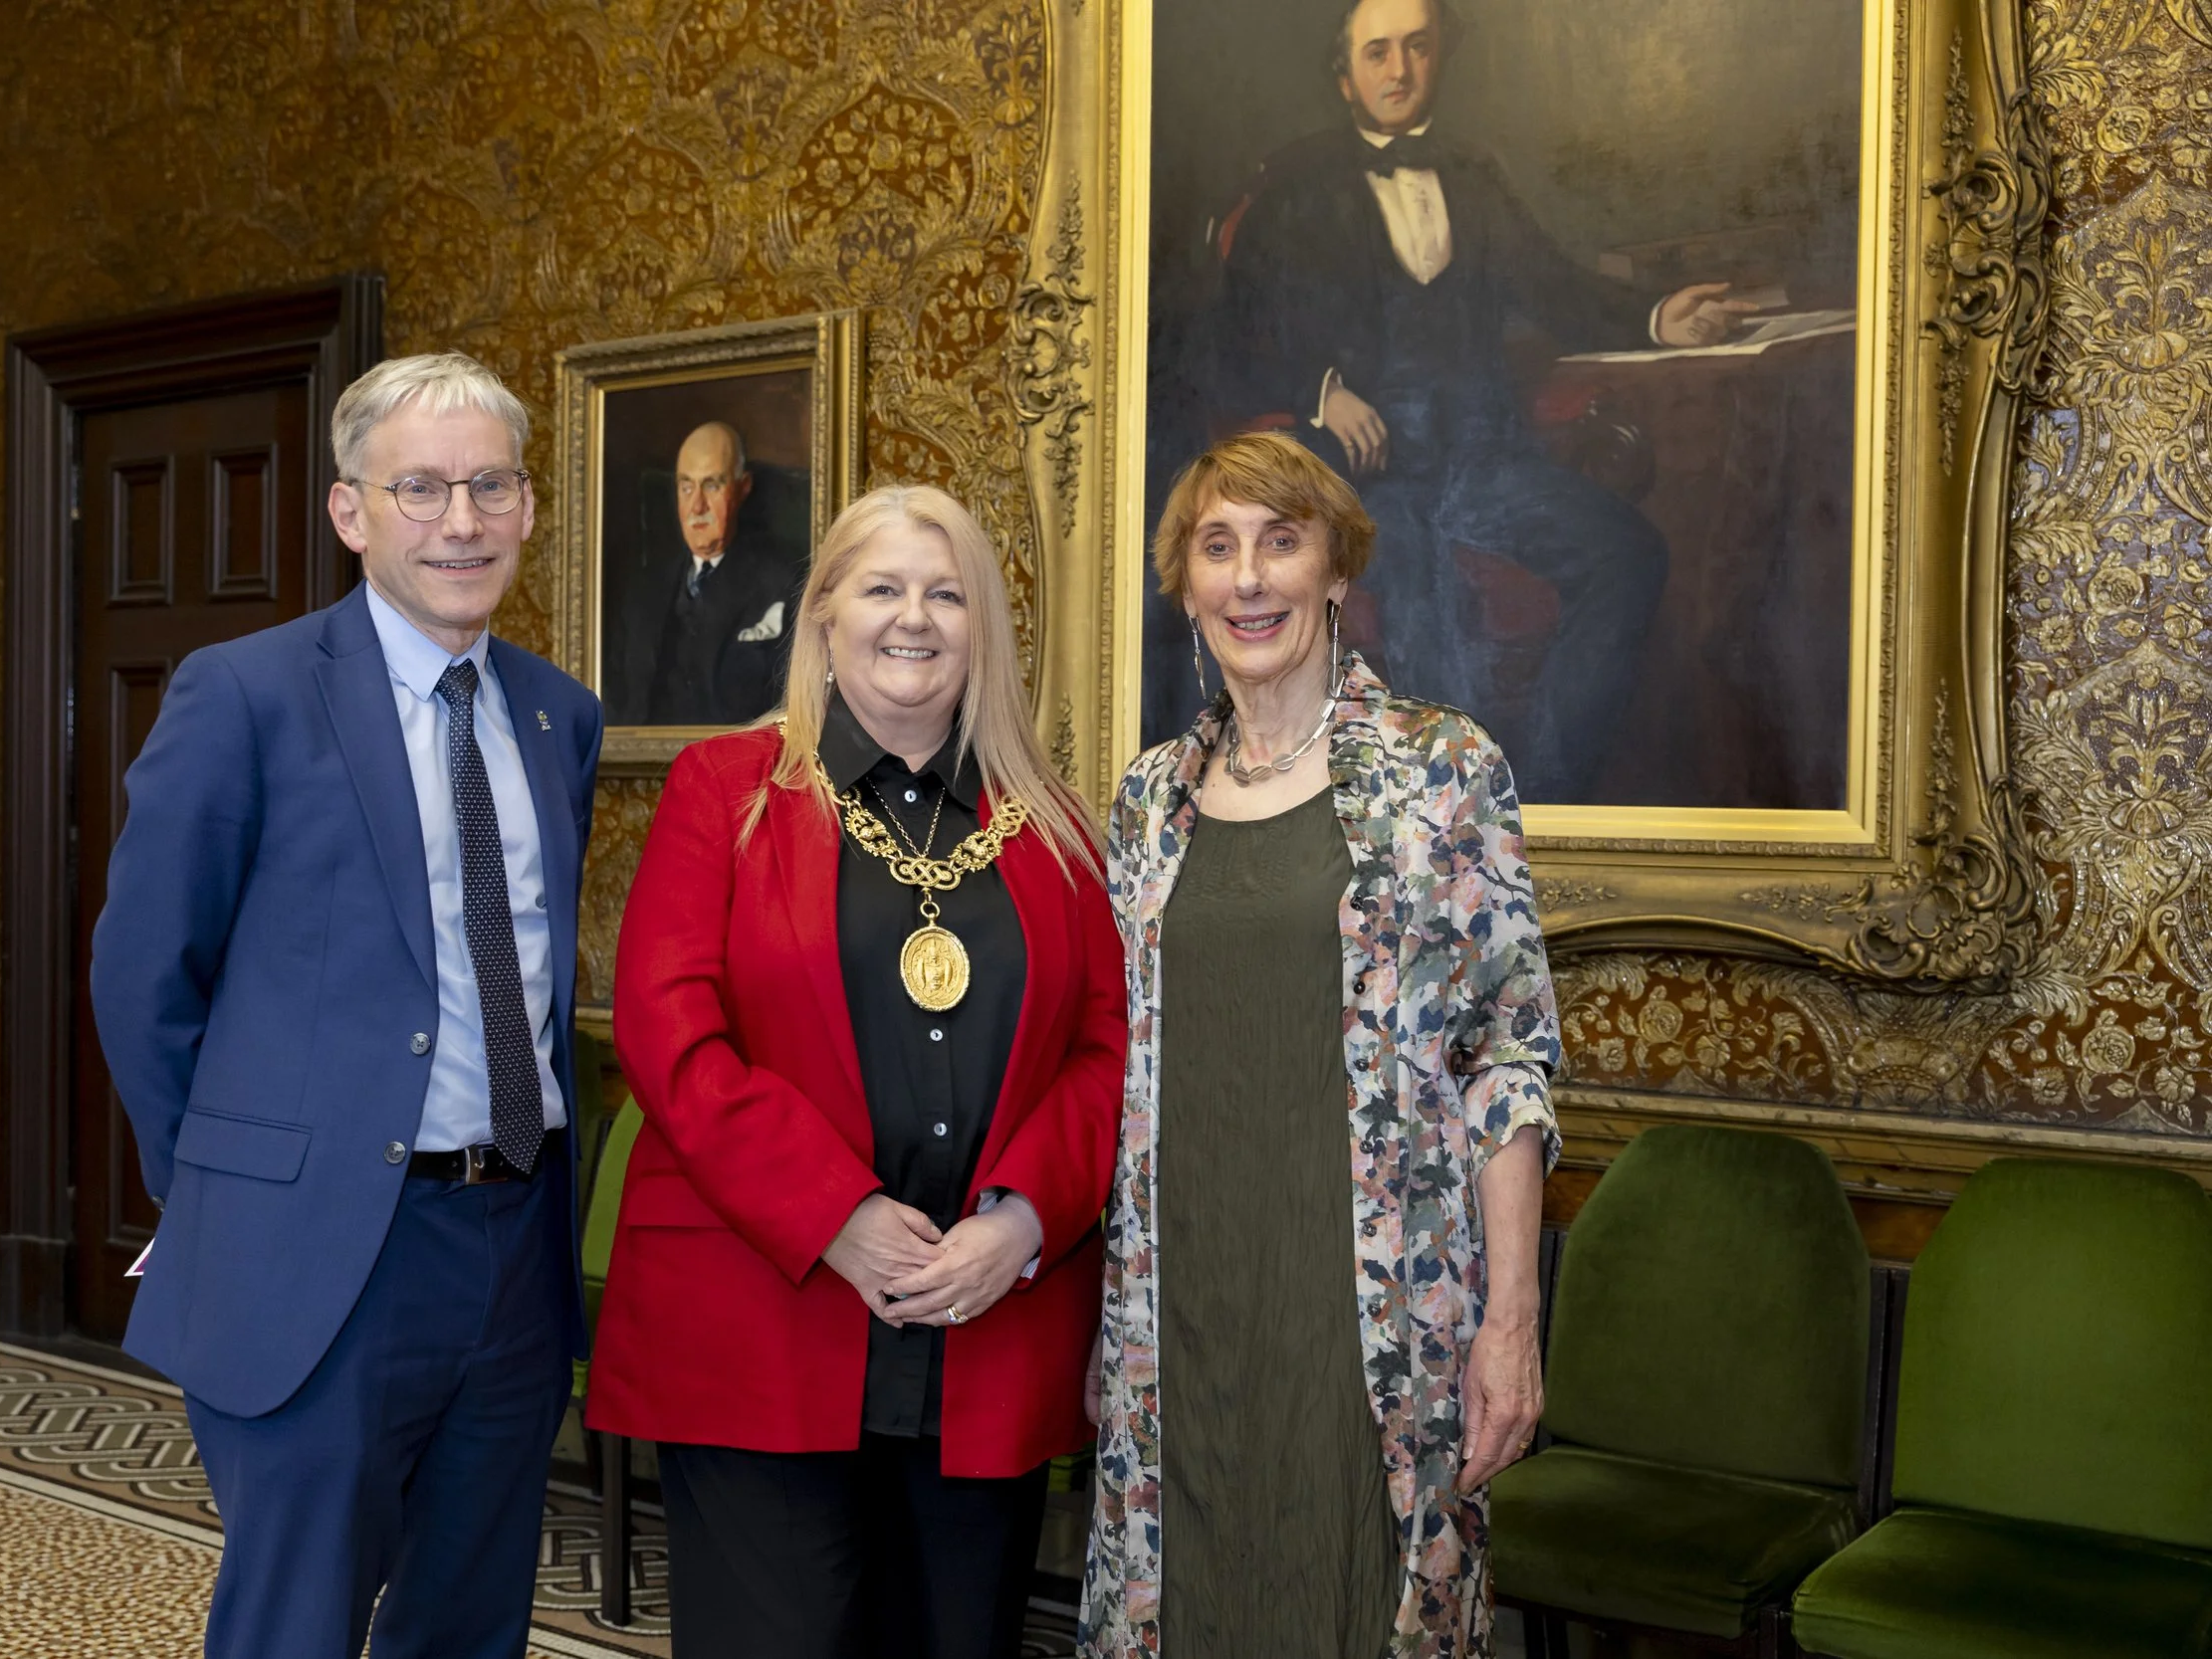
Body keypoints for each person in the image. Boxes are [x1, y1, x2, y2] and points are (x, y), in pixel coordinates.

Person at [91, 352, 600, 1659]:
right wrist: (233, 1193)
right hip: (321, 1256)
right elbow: (145, 974)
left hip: (515, 1241)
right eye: (420, 486)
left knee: (469, 1619)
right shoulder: (245, 692)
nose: (461, 520)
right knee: (297, 1621)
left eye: (490, 486)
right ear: (350, 510)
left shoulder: (559, 716)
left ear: (529, 506)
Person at [590, 485, 1126, 1659]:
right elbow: (669, 1034)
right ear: (825, 612)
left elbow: (1106, 1055)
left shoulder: (1058, 830)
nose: (914, 618)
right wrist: (833, 1213)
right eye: (882, 587)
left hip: (986, 1325)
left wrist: (1022, 1221)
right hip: (762, 1321)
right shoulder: (723, 790)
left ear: (983, 627)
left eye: (947, 594)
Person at [1083, 431, 1562, 1658]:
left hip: (1374, 1318)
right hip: (1181, 1310)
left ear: (1336, 570)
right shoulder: (1148, 802)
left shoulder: (1443, 771)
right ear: (1186, 583)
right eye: (1217, 546)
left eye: (1280, 542)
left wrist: (1510, 1323)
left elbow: (1505, 1059)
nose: (1248, 578)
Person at [1216, 0, 1759, 799]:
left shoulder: (1472, 173)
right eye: (1377, 53)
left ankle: (1541, 795)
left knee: (1631, 554)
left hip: (1483, 462)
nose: (1399, 70)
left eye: (1416, 47)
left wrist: (1657, 315)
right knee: (1426, 599)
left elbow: (1556, 284)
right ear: (1345, 76)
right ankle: (1437, 820)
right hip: (1371, 475)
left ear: (1439, 56)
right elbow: (1238, 327)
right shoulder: (1301, 184)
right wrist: (1322, 391)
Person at [607, 419, 805, 726]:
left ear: (743, 487)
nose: (697, 506)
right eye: (686, 487)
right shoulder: (643, 593)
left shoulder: (782, 581)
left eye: (712, 485)